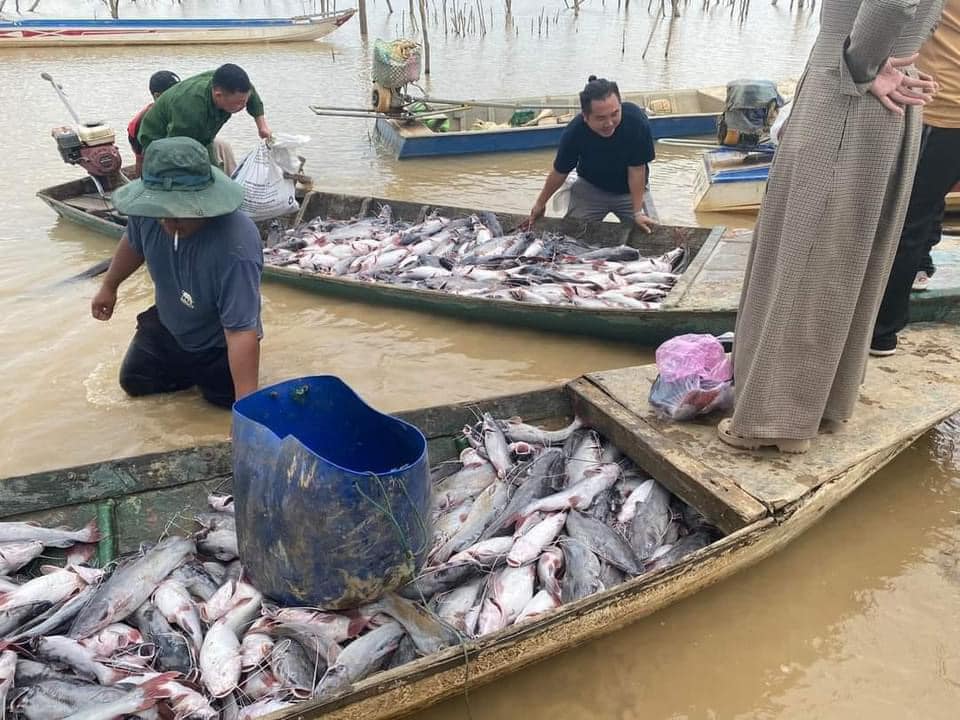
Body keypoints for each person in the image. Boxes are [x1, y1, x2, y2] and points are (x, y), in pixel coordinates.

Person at [717, 0, 942, 454]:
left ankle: (772, 422)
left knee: (810, 256)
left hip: (848, 102)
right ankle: (817, 404)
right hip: (870, 99)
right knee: (841, 260)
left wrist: (862, 65)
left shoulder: (857, 74)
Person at [91, 136, 263, 408]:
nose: (169, 222)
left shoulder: (236, 245)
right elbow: (134, 243)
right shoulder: (149, 212)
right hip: (168, 325)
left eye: (180, 213)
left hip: (216, 342)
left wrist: (247, 409)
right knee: (134, 383)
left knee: (224, 404)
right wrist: (109, 286)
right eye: (163, 212)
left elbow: (241, 330)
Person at [871, 0, 960, 356]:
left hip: (936, 108)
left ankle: (882, 331)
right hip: (945, 108)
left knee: (905, 219)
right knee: (926, 205)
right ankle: (923, 263)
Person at [528, 76, 657, 232]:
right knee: (569, 236)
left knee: (653, 233)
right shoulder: (575, 132)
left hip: (631, 192)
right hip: (590, 188)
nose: (609, 123)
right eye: (601, 118)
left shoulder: (636, 123)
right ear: (585, 116)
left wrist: (637, 212)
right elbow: (560, 172)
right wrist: (540, 203)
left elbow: (637, 170)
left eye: (615, 114)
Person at [137, 63, 271, 170]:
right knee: (193, 177)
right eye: (239, 103)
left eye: (245, 101)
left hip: (203, 137)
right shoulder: (191, 109)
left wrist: (262, 127)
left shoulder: (228, 84)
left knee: (215, 175)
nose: (243, 106)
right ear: (219, 95)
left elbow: (251, 92)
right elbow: (177, 146)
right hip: (159, 141)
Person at [127, 70, 180, 177]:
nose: (179, 96)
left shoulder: (175, 110)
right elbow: (141, 159)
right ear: (157, 96)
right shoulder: (145, 120)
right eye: (174, 93)